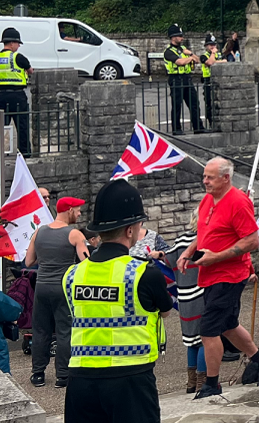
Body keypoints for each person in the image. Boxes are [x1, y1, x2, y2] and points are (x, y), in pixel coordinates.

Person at [63, 180, 174, 423]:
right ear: (130, 229)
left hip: (80, 380)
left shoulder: (72, 274)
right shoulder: (144, 273)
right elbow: (165, 312)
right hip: (130, 379)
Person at [178, 157, 259, 399]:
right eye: (204, 176)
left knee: (209, 328)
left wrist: (216, 257)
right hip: (211, 274)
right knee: (227, 324)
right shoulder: (207, 200)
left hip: (229, 274)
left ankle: (212, 383)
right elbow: (205, 233)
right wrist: (188, 252)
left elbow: (252, 241)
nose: (205, 181)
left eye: (210, 177)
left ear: (226, 178)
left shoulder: (238, 202)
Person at [25, 196, 88, 388]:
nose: (79, 214)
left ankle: (38, 374)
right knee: (64, 331)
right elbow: (86, 263)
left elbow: (28, 262)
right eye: (77, 210)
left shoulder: (39, 232)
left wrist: (46, 260)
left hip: (42, 287)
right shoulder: (75, 234)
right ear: (69, 210)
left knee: (41, 330)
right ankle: (63, 375)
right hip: (63, 289)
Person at [166, 212, 207, 393]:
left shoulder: (180, 240)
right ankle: (201, 381)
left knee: (191, 341)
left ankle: (191, 383)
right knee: (205, 338)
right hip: (201, 294)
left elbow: (167, 260)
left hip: (184, 296)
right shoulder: (204, 240)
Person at [164, 24, 205, 136]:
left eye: (181, 35)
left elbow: (197, 60)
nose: (182, 38)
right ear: (173, 37)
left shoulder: (183, 49)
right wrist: (189, 58)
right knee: (177, 105)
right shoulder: (168, 51)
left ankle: (198, 127)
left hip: (187, 78)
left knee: (194, 103)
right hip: (176, 79)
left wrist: (191, 54)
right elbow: (179, 62)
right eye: (179, 36)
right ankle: (176, 129)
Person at [199, 33, 226, 125]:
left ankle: (220, 122)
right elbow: (210, 62)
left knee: (221, 102)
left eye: (214, 44)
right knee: (209, 103)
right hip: (208, 81)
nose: (212, 46)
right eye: (210, 45)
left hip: (219, 81)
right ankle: (211, 123)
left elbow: (225, 62)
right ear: (206, 46)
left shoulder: (220, 54)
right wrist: (214, 55)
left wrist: (215, 61)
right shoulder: (204, 56)